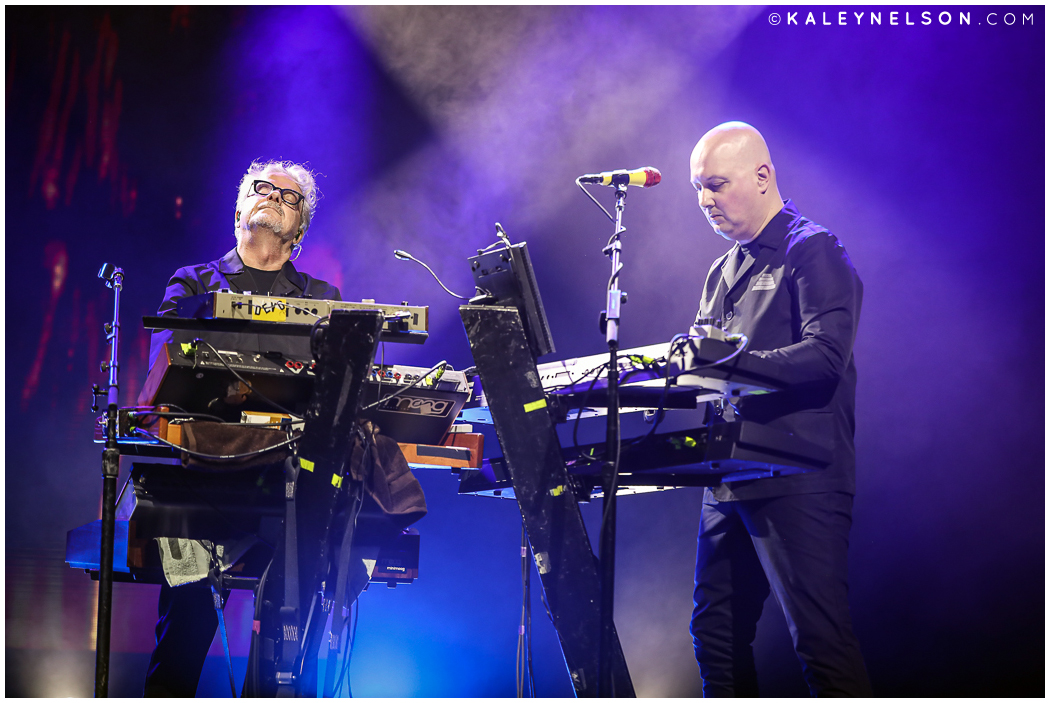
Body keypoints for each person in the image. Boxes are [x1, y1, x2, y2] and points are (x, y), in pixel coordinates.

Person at [687, 122, 872, 696]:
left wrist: (727, 364)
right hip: (731, 475)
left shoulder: (813, 248)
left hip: (801, 476)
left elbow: (825, 356)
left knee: (819, 640)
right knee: (714, 633)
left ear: (762, 176)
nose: (705, 201)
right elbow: (703, 369)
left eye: (716, 184)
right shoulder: (721, 271)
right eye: (697, 188)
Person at [143, 160, 338, 697]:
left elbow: (337, 393)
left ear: (300, 227)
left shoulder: (322, 299)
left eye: (289, 196)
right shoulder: (194, 282)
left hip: (289, 485)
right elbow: (167, 372)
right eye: (262, 188)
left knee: (287, 641)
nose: (274, 197)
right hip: (205, 481)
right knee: (184, 633)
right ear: (238, 208)